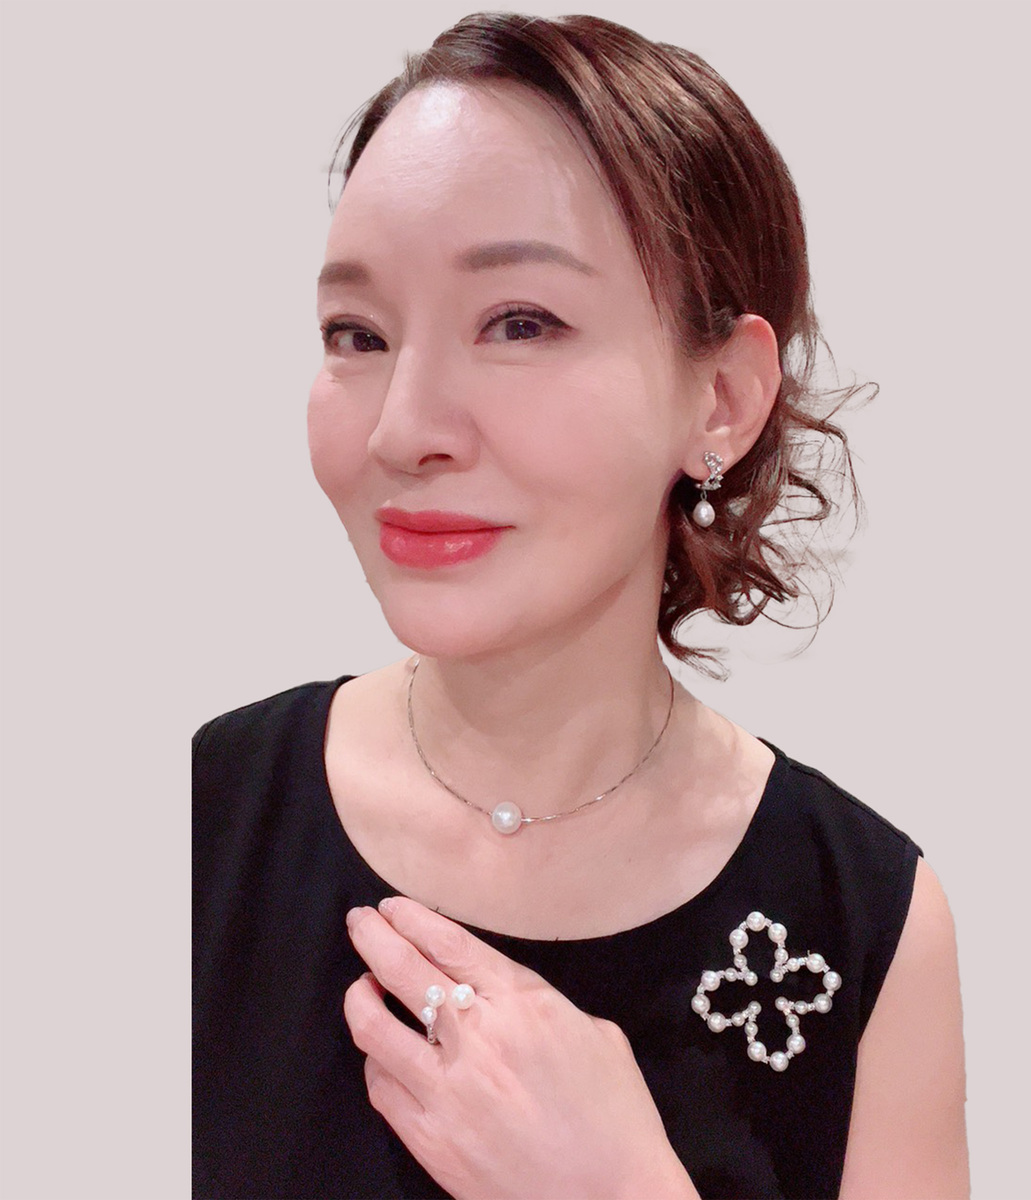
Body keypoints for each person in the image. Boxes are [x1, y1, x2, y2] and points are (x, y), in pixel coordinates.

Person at [192, 12, 968, 1199]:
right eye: (358, 334)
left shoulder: (867, 919)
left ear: (721, 397)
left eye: (520, 323)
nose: (403, 428)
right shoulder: (187, 824)